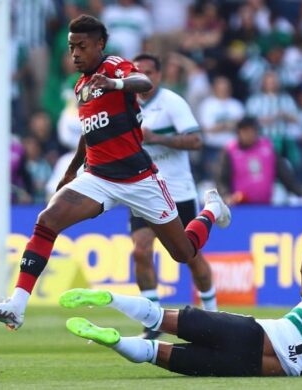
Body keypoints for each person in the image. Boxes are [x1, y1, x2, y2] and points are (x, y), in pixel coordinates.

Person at [0, 14, 231, 330]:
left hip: (139, 179)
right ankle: (17, 304)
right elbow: (89, 133)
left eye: (81, 46)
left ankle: (210, 210)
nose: (74, 54)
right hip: (98, 177)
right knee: (46, 221)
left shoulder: (113, 67)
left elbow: (144, 83)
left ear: (99, 44)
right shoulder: (82, 86)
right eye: (71, 47)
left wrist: (115, 83)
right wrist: (71, 172)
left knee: (184, 253)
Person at [60, 197, 302, 377]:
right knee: (153, 353)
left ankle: (110, 298)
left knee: (160, 318)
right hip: (243, 368)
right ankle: (113, 341)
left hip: (250, 333)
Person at [129, 53, 218, 340]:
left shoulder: (172, 102)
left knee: (190, 256)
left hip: (177, 193)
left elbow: (195, 140)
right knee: (140, 250)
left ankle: (214, 314)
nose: (145, 77)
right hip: (142, 190)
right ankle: (154, 321)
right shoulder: (125, 106)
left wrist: (158, 138)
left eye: (150, 72)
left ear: (159, 75)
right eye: (139, 72)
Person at [216, 117, 302, 205]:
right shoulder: (230, 150)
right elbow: (222, 179)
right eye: (245, 131)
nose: (248, 134)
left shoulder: (267, 147)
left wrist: (301, 193)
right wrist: (226, 196)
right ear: (239, 132)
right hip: (239, 207)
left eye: (251, 131)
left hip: (265, 206)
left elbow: (284, 174)